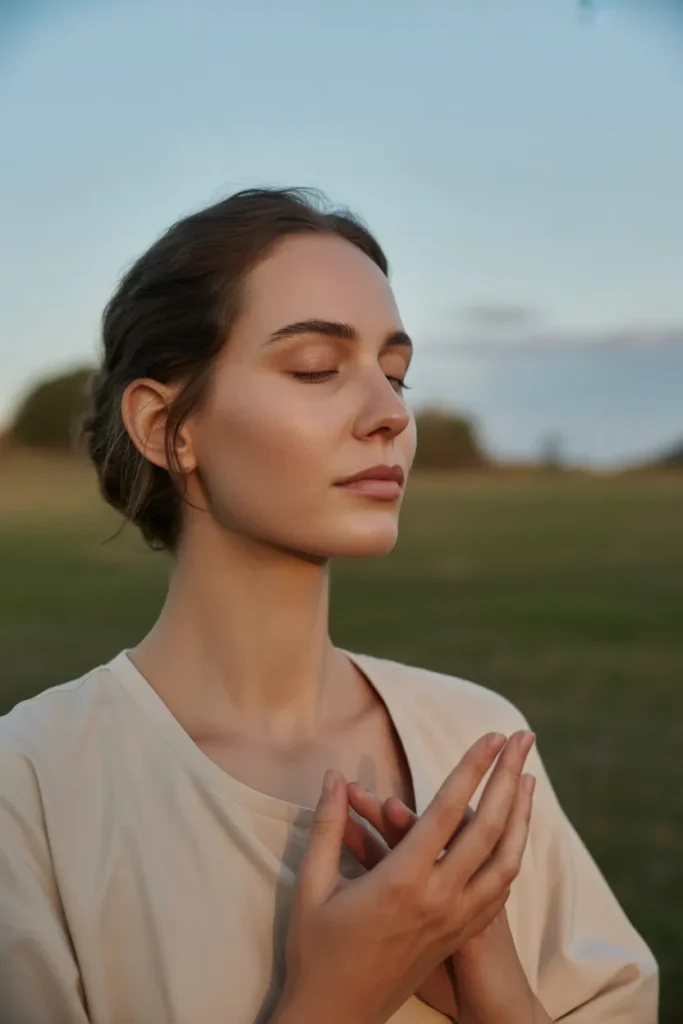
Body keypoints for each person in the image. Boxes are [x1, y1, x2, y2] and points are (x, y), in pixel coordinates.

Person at [0, 187, 657, 1024]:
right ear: (167, 428)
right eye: (316, 368)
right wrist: (335, 998)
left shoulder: (479, 747)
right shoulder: (29, 793)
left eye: (396, 375)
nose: (389, 415)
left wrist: (498, 991)